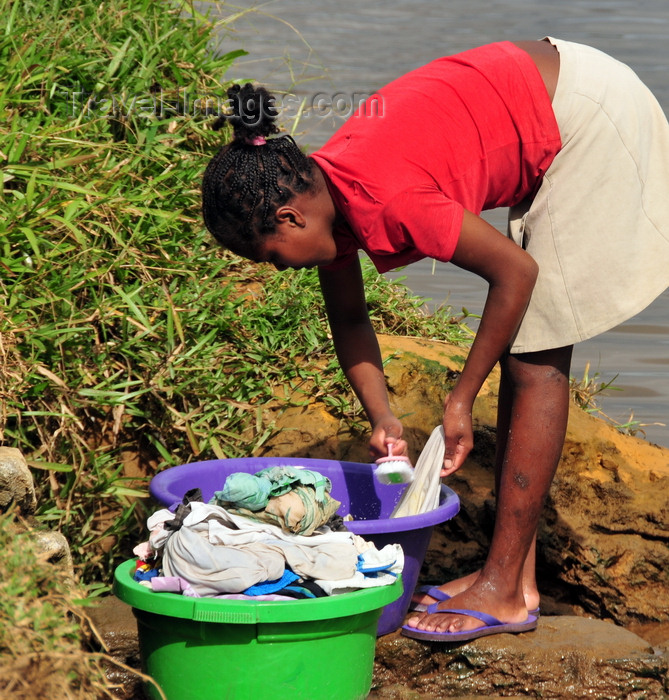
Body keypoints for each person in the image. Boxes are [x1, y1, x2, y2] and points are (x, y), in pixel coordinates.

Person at [201, 37, 669, 642]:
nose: (276, 269)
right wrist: (382, 418)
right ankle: (515, 577)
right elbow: (349, 321)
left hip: (587, 114)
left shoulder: (385, 194)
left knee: (535, 356)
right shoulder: (326, 194)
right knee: (527, 339)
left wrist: (460, 398)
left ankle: (503, 591)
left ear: (290, 218)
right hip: (543, 92)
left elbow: (514, 272)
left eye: (270, 257)